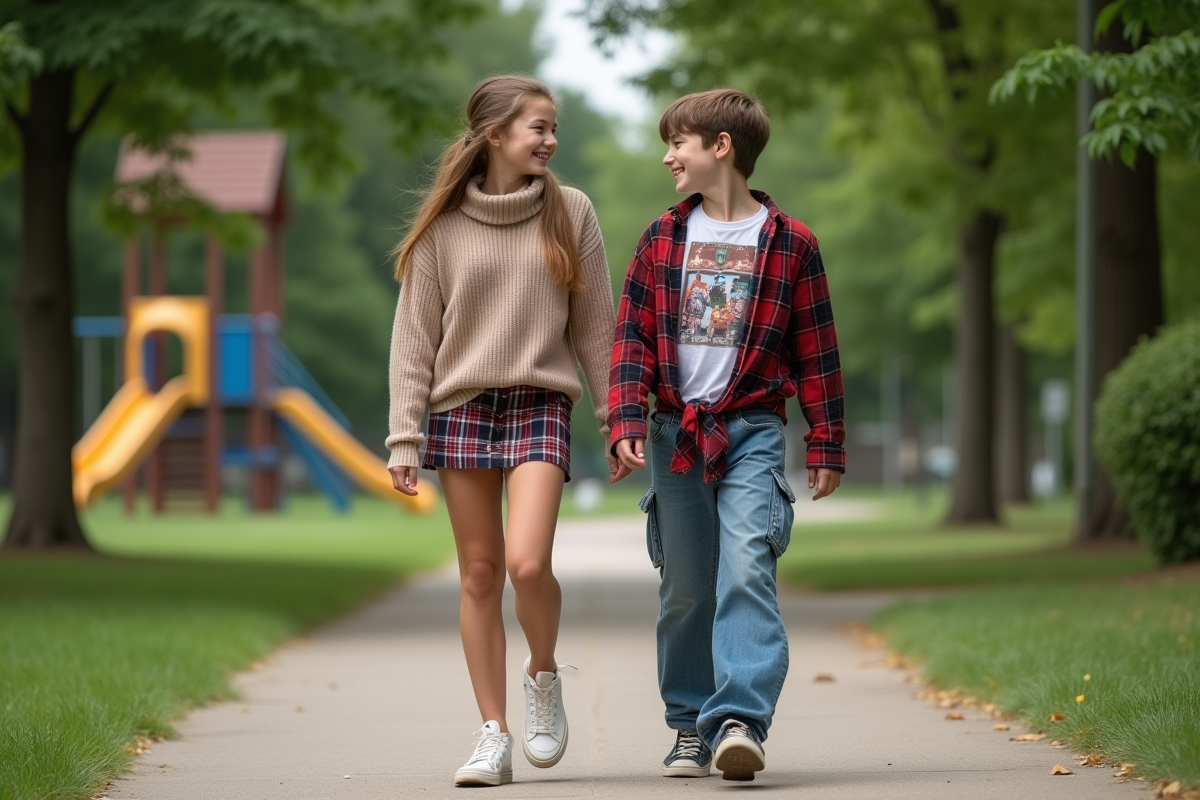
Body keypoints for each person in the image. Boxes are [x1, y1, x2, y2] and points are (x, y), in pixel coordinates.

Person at [607, 88, 846, 782]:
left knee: (746, 567)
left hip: (753, 429)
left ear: (721, 147)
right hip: (675, 432)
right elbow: (631, 339)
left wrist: (826, 441)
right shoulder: (661, 238)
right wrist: (625, 418)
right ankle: (689, 725)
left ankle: (738, 720)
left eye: (677, 142)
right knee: (686, 587)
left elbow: (817, 351)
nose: (667, 156)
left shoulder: (792, 243)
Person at [386, 75, 616, 787]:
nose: (551, 140)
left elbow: (596, 326)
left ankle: (542, 675)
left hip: (540, 402)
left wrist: (616, 416)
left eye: (553, 128)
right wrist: (404, 436)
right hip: (461, 408)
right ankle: (493, 734)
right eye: (538, 127)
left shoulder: (571, 211)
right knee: (480, 574)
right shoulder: (443, 228)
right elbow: (414, 341)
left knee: (527, 565)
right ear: (495, 135)